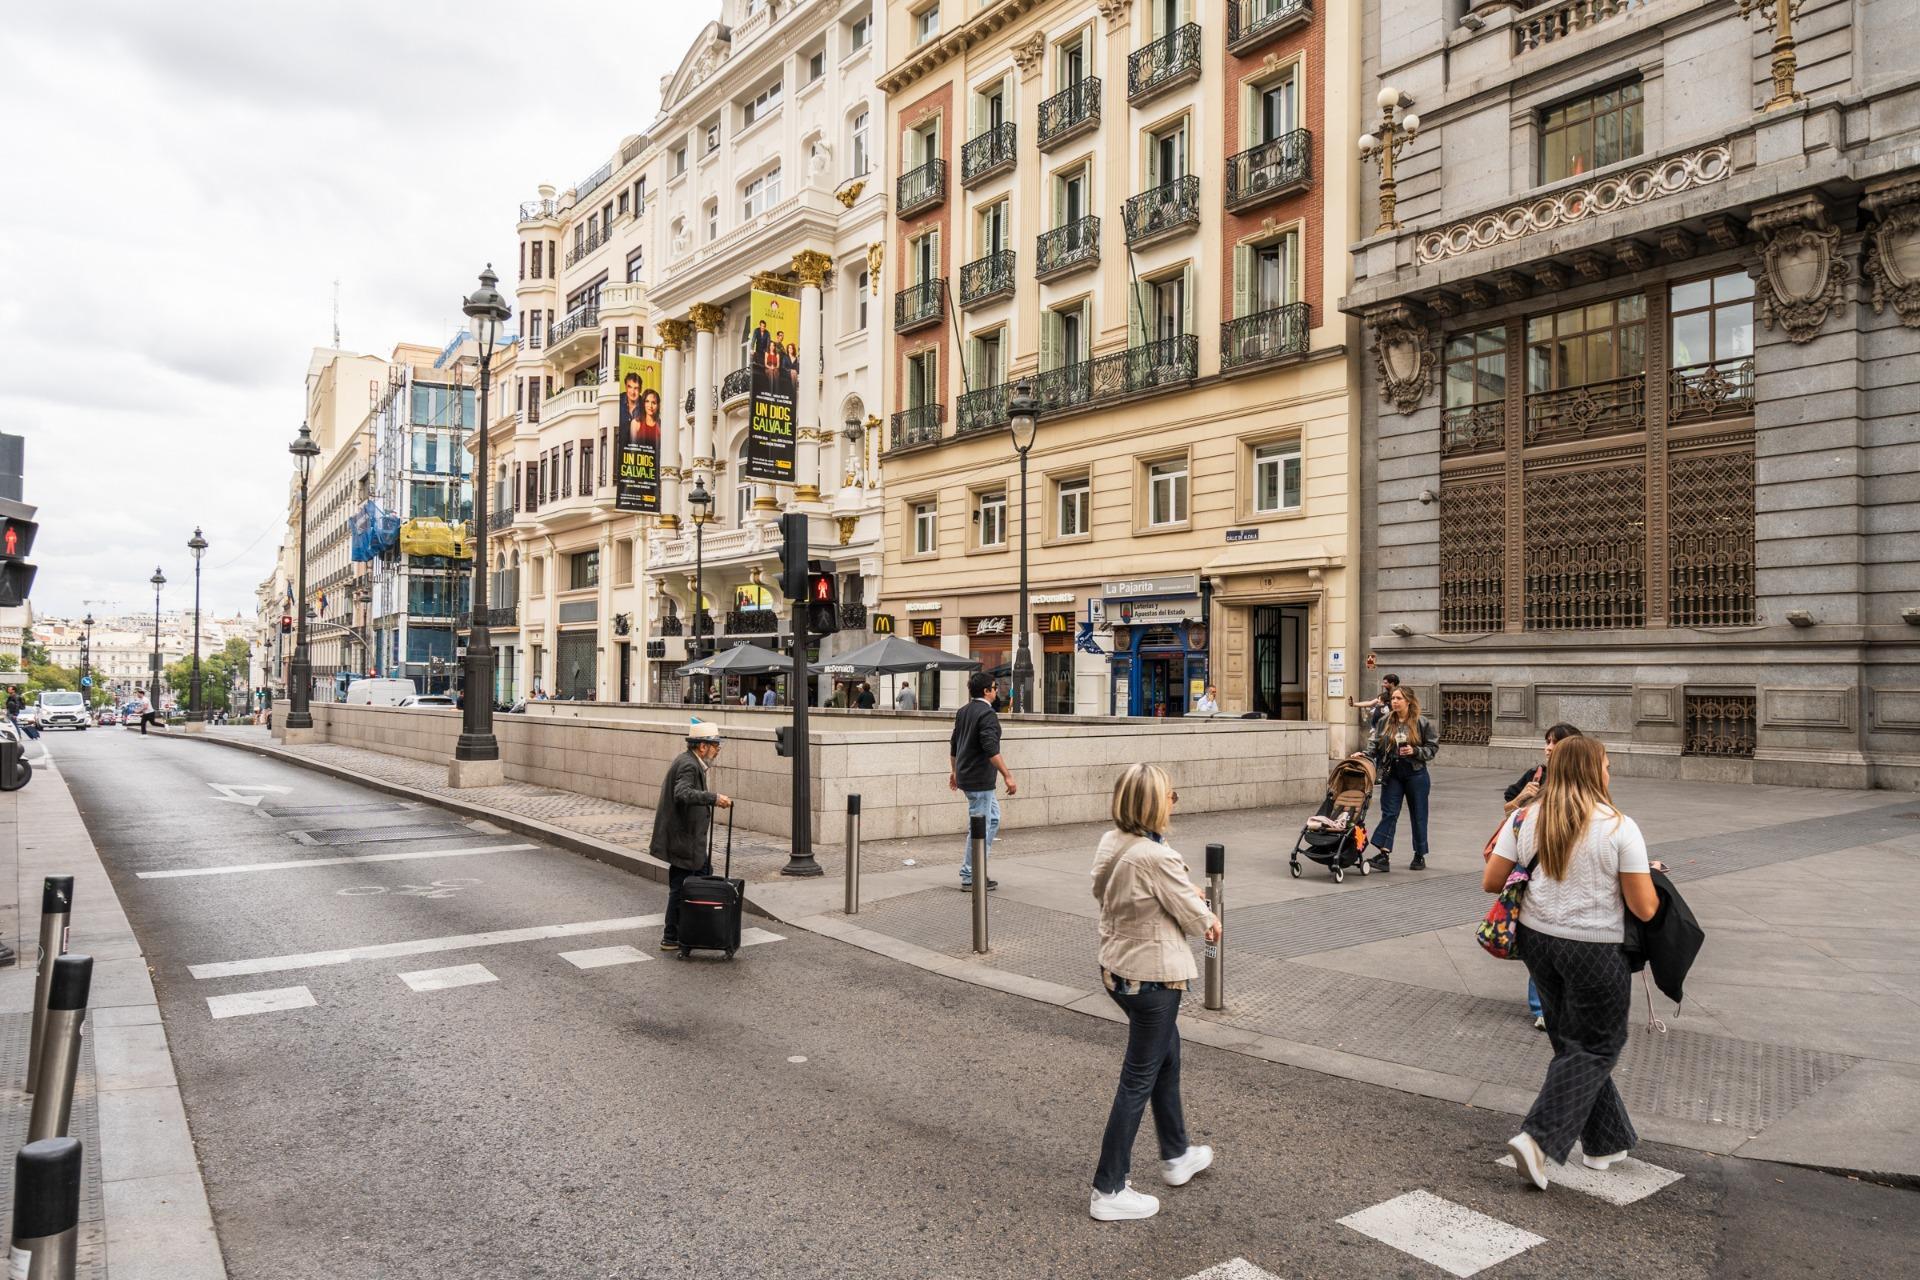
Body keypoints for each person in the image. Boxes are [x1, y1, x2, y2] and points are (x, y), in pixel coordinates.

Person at [1484, 735, 1663, 1190]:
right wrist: (1647, 879)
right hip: (1595, 947)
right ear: (1592, 771)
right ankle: (1538, 1138)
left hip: (1538, 941)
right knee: (1597, 1046)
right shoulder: (1619, 826)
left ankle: (1605, 1141)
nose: (1610, 773)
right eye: (1605, 765)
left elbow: (1492, 880)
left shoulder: (1524, 818)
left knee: (1570, 1042)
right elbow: (1644, 909)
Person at [1088, 764, 1220, 1222]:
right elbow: (1198, 920)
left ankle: (1177, 1153)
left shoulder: (1113, 841)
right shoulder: (1155, 856)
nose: (1173, 801)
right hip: (1153, 978)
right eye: (1170, 795)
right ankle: (1109, 1188)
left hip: (1117, 969)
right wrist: (1209, 914)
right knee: (1138, 1078)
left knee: (1167, 1056)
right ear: (1151, 804)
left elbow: (1101, 890)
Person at [1504, 723, 1584, 1031]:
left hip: (1568, 866)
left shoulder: (1581, 780)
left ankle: (1558, 1000)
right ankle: (1542, 1006)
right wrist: (1522, 797)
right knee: (1541, 939)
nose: (1548, 748)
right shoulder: (1536, 775)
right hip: (1535, 866)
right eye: (1546, 742)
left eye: (1555, 743)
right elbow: (1508, 811)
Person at [649, 721, 734, 952]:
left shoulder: (690, 761)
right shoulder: (688, 765)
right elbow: (682, 793)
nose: (718, 750)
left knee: (702, 878)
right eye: (716, 745)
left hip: (687, 841)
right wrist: (713, 798)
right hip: (683, 841)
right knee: (682, 887)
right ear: (703, 746)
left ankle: (692, 930)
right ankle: (671, 936)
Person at [950, 672, 1017, 891]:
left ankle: (975, 869)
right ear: (986, 691)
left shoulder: (964, 711)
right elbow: (991, 749)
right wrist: (1007, 775)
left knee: (993, 819)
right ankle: (971, 874)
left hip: (968, 775)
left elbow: (954, 745)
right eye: (994, 687)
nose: (997, 690)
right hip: (979, 779)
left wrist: (954, 772)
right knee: (979, 826)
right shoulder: (987, 715)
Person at [1367, 686, 1437, 871]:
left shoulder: (1422, 723)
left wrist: (1415, 751)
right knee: (1389, 813)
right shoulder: (1384, 721)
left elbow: (1432, 748)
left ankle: (1419, 855)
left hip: (1416, 773)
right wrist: (1365, 754)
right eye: (1393, 698)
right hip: (1393, 772)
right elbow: (1375, 744)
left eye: (1399, 698)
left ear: (1408, 701)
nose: (1394, 701)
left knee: (1419, 814)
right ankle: (1383, 854)